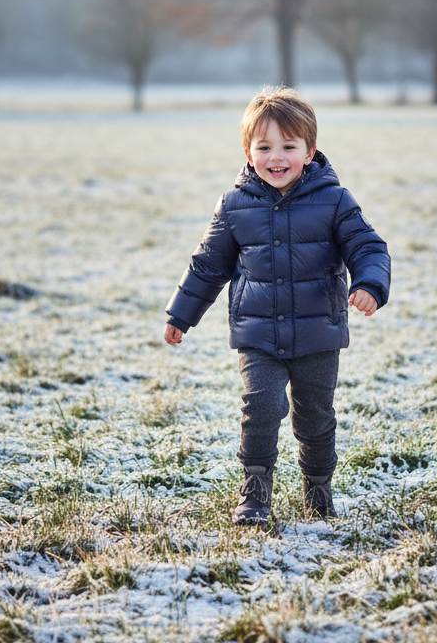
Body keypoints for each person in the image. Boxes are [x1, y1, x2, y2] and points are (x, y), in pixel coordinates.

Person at [163, 86, 390, 524]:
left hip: (318, 333)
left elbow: (369, 247)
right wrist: (180, 315)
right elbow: (208, 266)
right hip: (258, 333)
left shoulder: (335, 201)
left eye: (289, 146)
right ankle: (254, 490)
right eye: (264, 146)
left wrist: (370, 284)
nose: (276, 157)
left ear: (310, 152)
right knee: (261, 407)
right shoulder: (234, 206)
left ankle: (318, 489)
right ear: (248, 153)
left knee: (315, 416)